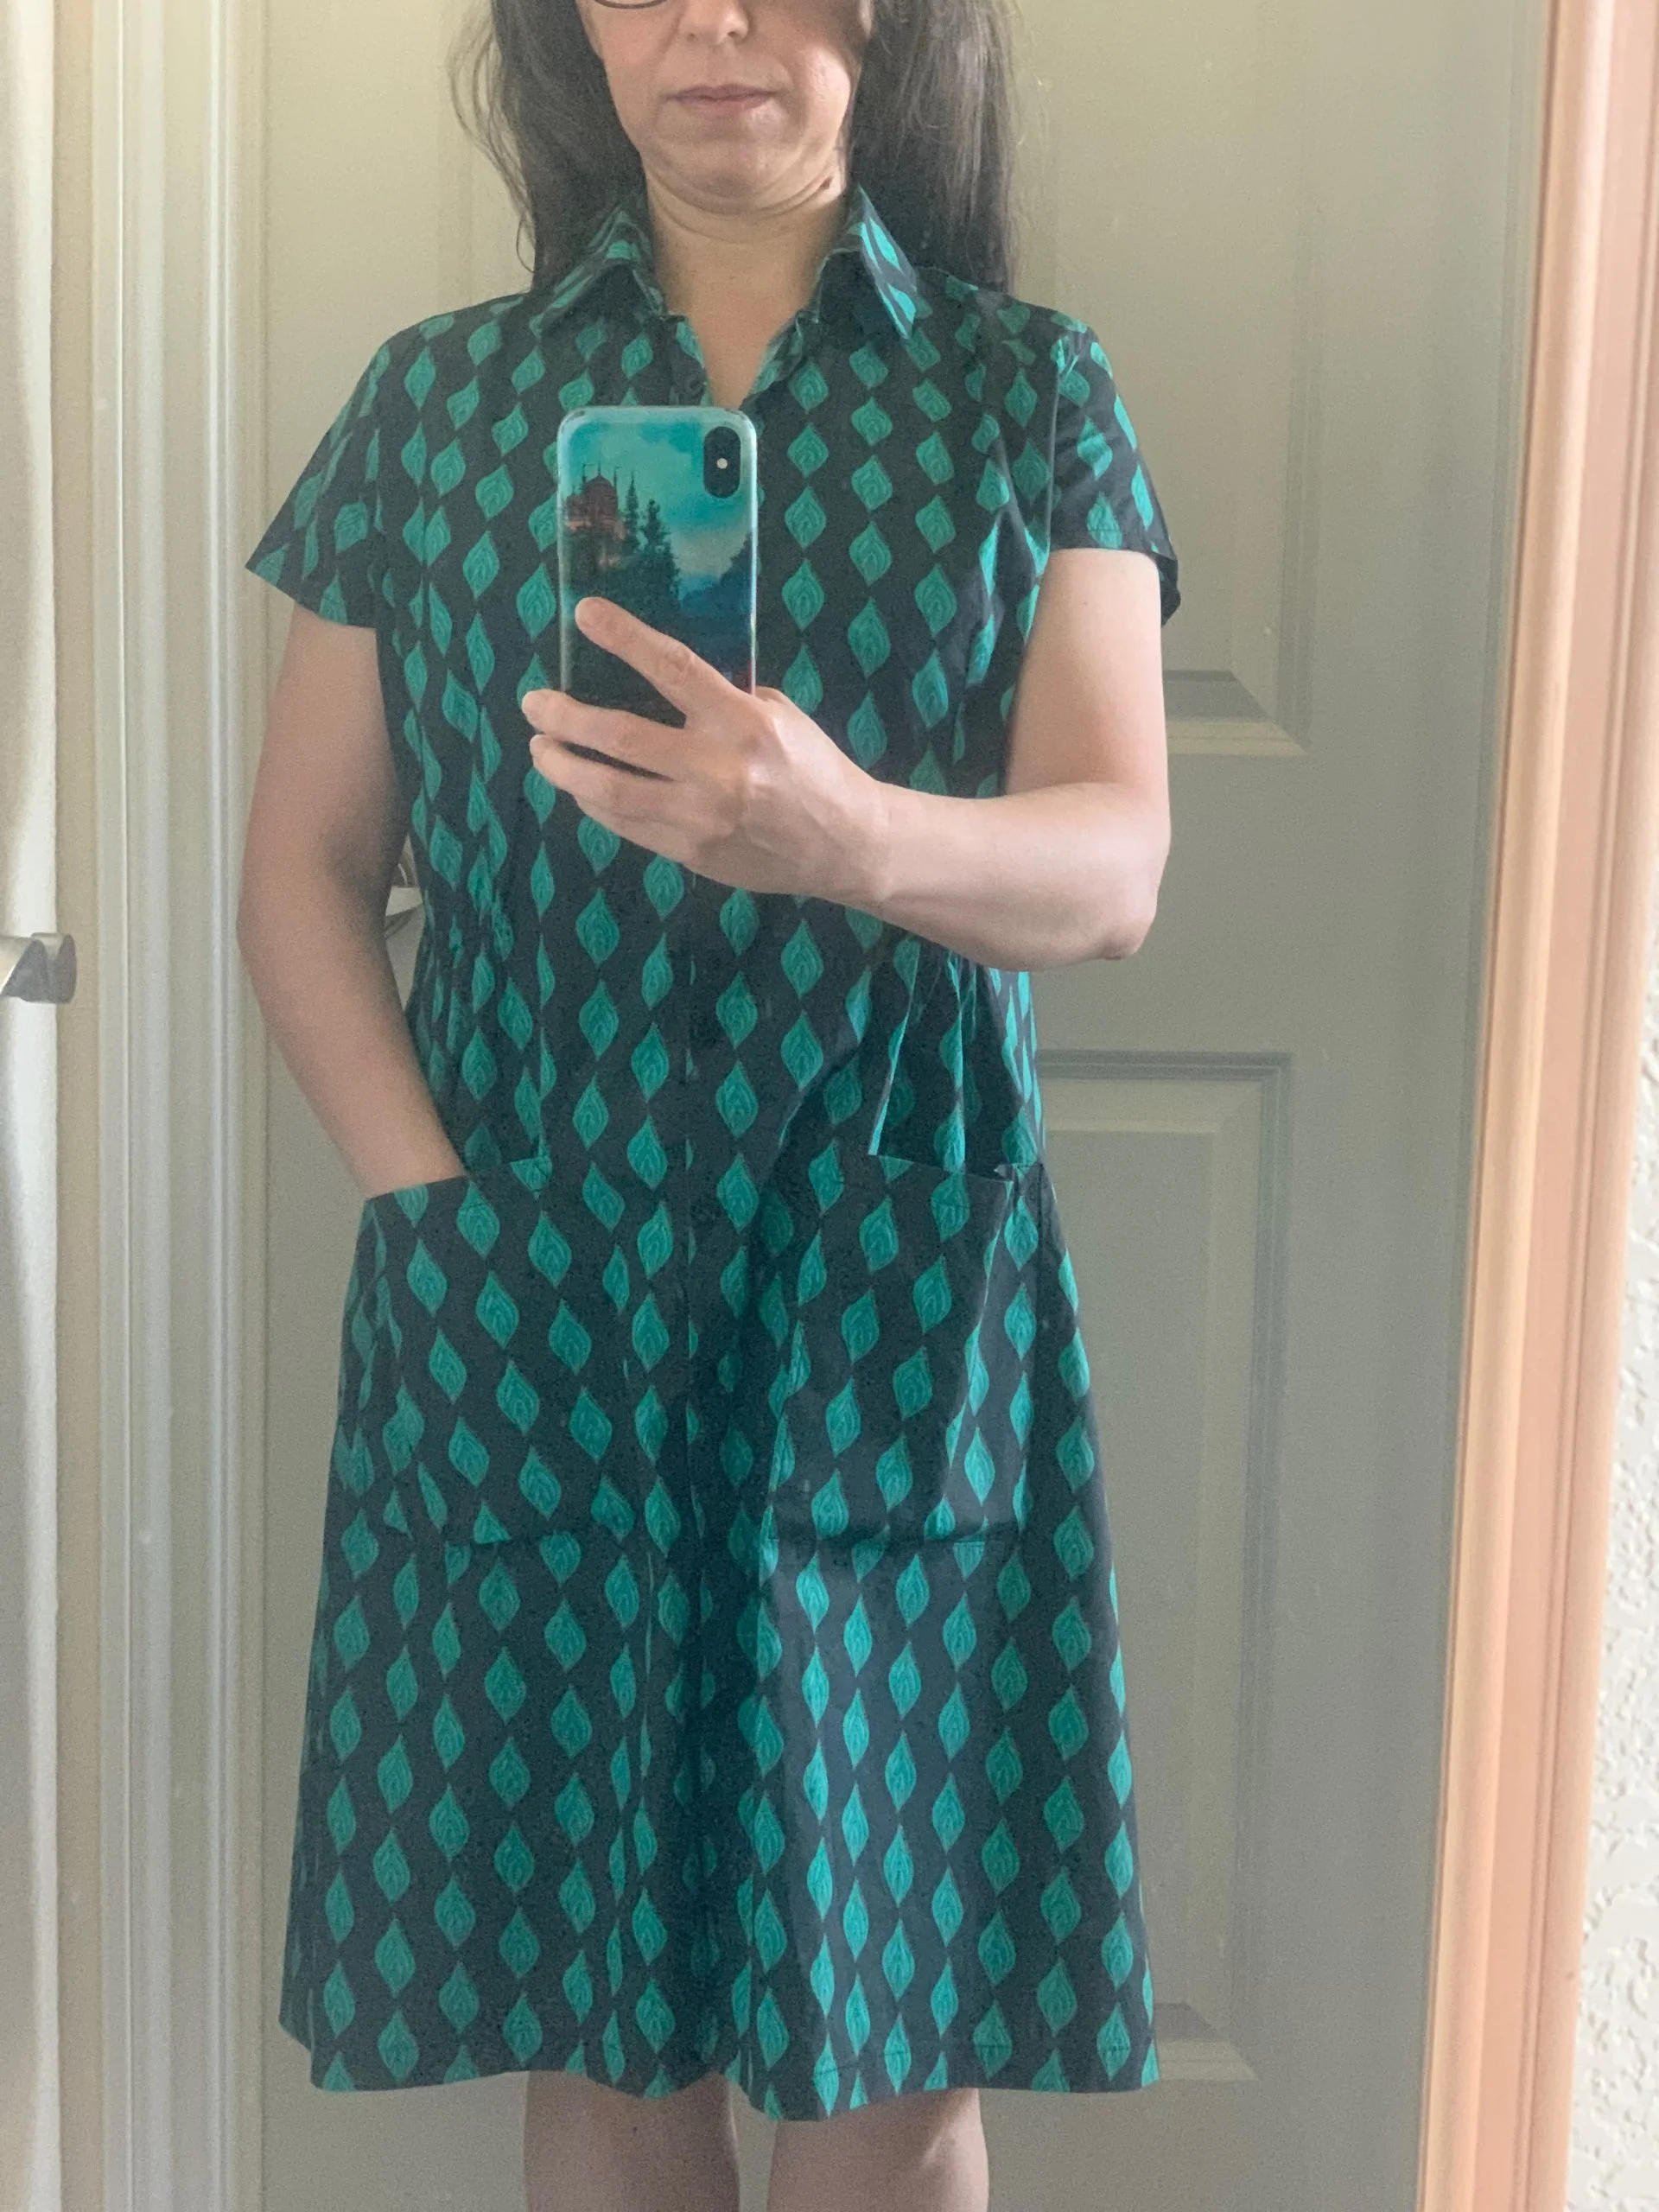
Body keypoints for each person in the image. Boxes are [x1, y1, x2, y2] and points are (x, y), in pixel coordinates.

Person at [237, 0, 1182, 2205]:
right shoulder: (436, 404)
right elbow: (302, 874)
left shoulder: (1029, 397)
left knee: (896, 2057)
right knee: (607, 2038)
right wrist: (437, 1218)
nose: (711, 20)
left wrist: (844, 830)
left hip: (889, 1318)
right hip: (529, 1300)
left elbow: (1116, 862)